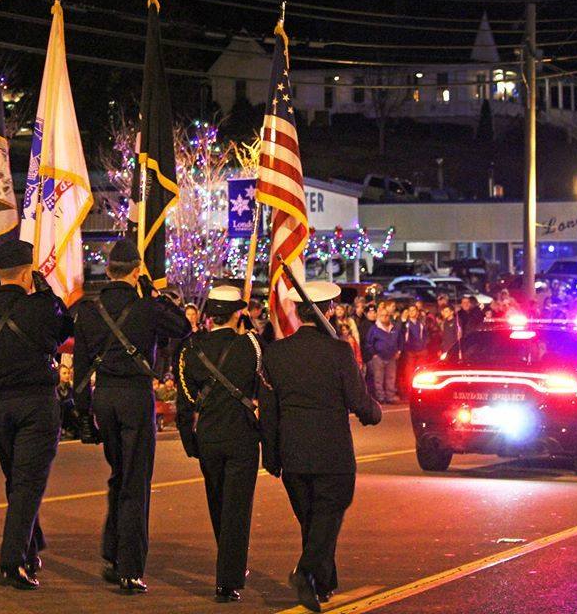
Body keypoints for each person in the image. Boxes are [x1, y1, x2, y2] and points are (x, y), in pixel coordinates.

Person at [72, 239, 191, 593]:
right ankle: (129, 567)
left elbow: (80, 365)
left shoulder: (90, 311)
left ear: (109, 270)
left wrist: (82, 412)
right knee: (135, 482)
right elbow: (182, 326)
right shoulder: (147, 307)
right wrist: (154, 293)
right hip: (135, 397)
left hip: (104, 396)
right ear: (137, 271)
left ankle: (112, 552)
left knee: (118, 474)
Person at [0, 240, 72, 590]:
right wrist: (47, 289)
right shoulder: (42, 308)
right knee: (27, 484)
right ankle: (11, 563)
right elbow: (66, 326)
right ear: (26, 273)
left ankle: (30, 547)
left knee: (17, 480)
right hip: (36, 406)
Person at [260, 281, 382, 612]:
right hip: (332, 453)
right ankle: (306, 572)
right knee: (326, 518)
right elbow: (358, 400)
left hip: (293, 452)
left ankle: (323, 583)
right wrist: (374, 413)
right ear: (327, 311)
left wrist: (270, 456)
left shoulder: (275, 353)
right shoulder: (339, 352)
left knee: (312, 522)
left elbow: (269, 410)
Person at [176, 286, 262, 603]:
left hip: (209, 437)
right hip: (242, 436)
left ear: (210, 314)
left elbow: (185, 403)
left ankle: (230, 564)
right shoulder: (252, 347)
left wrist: (191, 443)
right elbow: (263, 390)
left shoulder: (190, 349)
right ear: (238, 313)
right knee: (238, 507)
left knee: (218, 502)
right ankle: (229, 577)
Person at [365, 301, 401, 405]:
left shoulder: (394, 328)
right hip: (379, 357)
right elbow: (369, 343)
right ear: (379, 316)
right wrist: (374, 353)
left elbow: (400, 340)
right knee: (378, 378)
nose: (385, 317)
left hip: (391, 357)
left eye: (386, 315)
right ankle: (380, 397)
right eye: (382, 315)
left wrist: (398, 351)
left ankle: (390, 396)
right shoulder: (374, 329)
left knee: (391, 378)